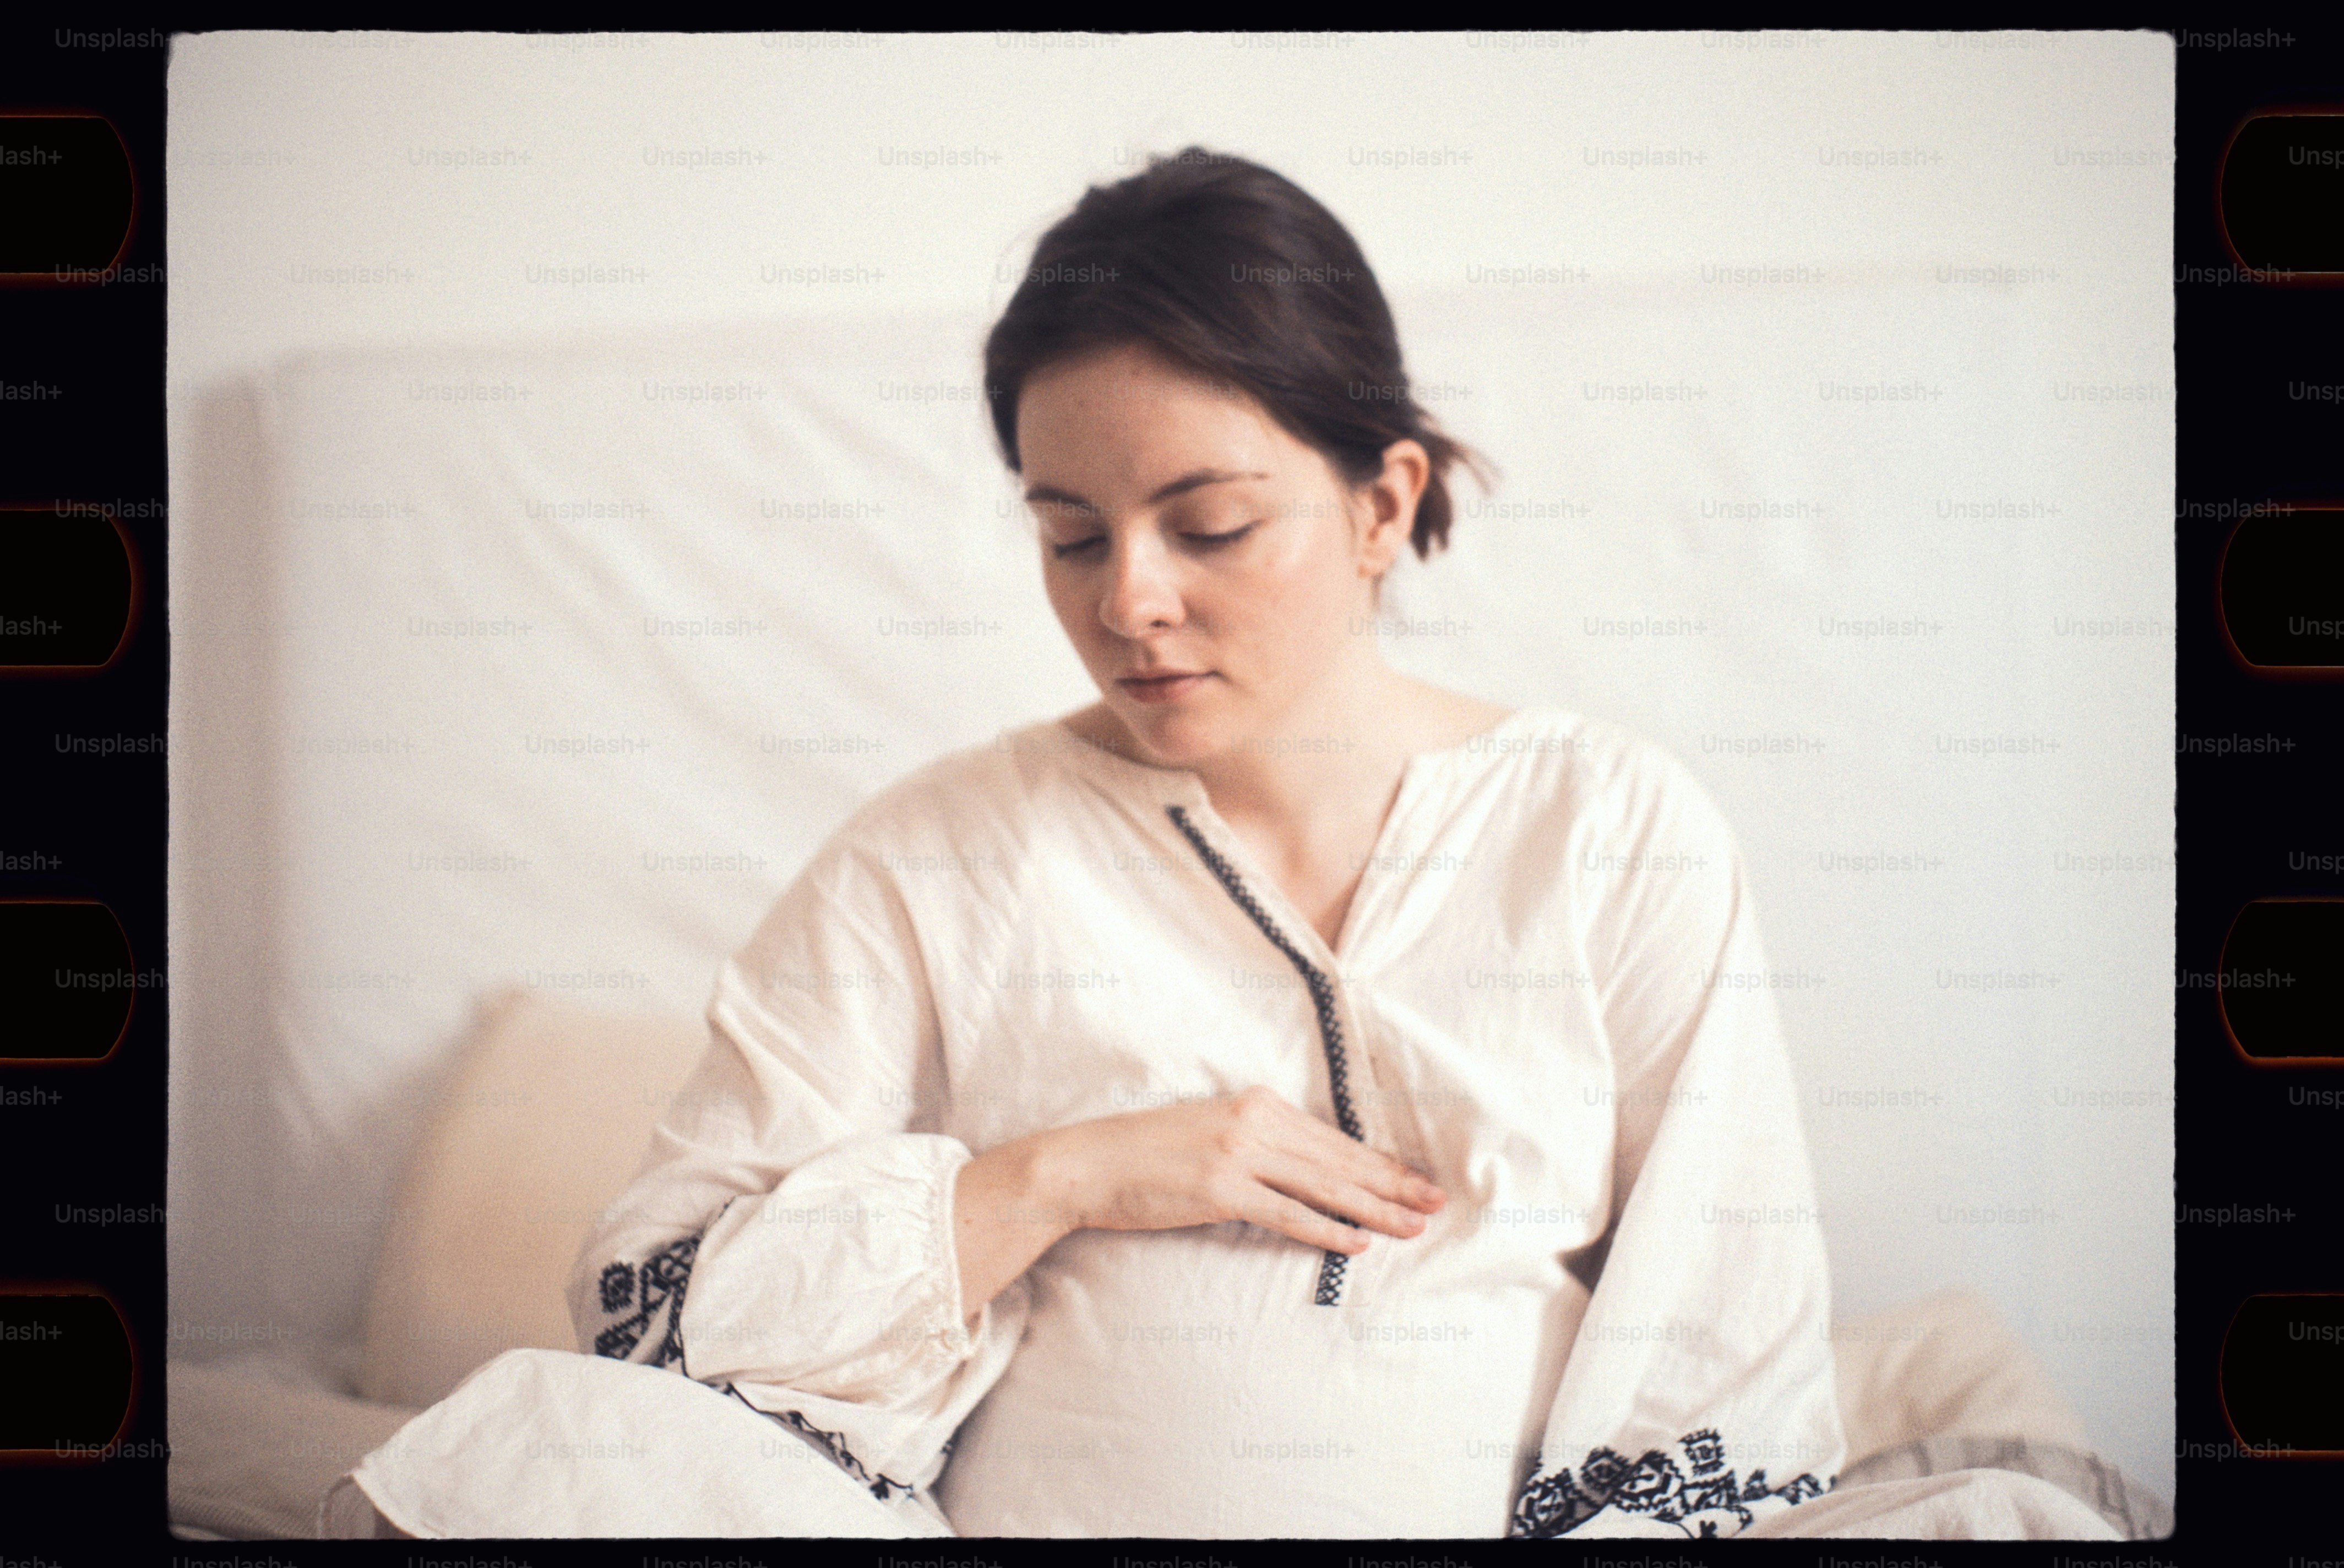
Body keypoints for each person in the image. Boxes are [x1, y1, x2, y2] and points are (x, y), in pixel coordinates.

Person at [329, 148, 2122, 1543]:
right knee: (520, 1457)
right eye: (1070, 535)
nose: (1134, 602)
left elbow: (1722, 1339)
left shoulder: (1606, 829)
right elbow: (653, 1310)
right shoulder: (932, 856)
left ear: (1383, 500)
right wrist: (1064, 1176)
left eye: (1209, 522)